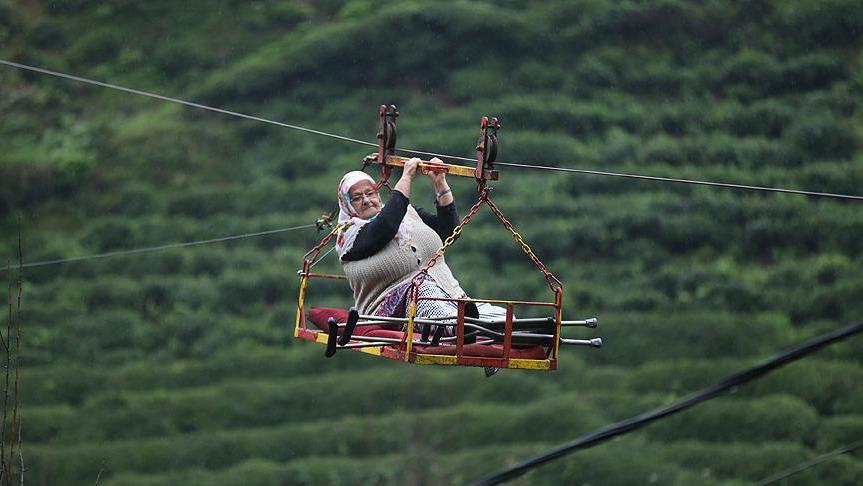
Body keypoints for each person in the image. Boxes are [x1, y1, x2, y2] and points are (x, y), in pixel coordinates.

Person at [335, 157, 507, 337]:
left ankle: (515, 329)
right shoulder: (348, 235)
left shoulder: (408, 212)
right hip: (394, 307)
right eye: (356, 198)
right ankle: (457, 327)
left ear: (377, 194)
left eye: (370, 193)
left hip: (448, 293)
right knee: (423, 289)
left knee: (497, 316)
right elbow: (385, 227)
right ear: (346, 204)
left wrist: (440, 184)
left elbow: (449, 232)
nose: (366, 200)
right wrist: (406, 177)